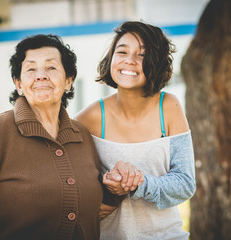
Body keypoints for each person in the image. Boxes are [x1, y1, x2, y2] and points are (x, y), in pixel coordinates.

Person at [0, 34, 123, 240]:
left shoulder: (81, 134)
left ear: (68, 81)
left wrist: (116, 189)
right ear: (18, 84)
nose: (41, 75)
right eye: (31, 69)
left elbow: (93, 205)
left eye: (51, 67)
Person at [76, 21, 196, 239]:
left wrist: (138, 184)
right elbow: (67, 177)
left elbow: (185, 184)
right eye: (121, 52)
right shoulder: (92, 116)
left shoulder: (169, 107)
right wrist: (106, 191)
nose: (129, 61)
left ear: (156, 62)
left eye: (142, 55)